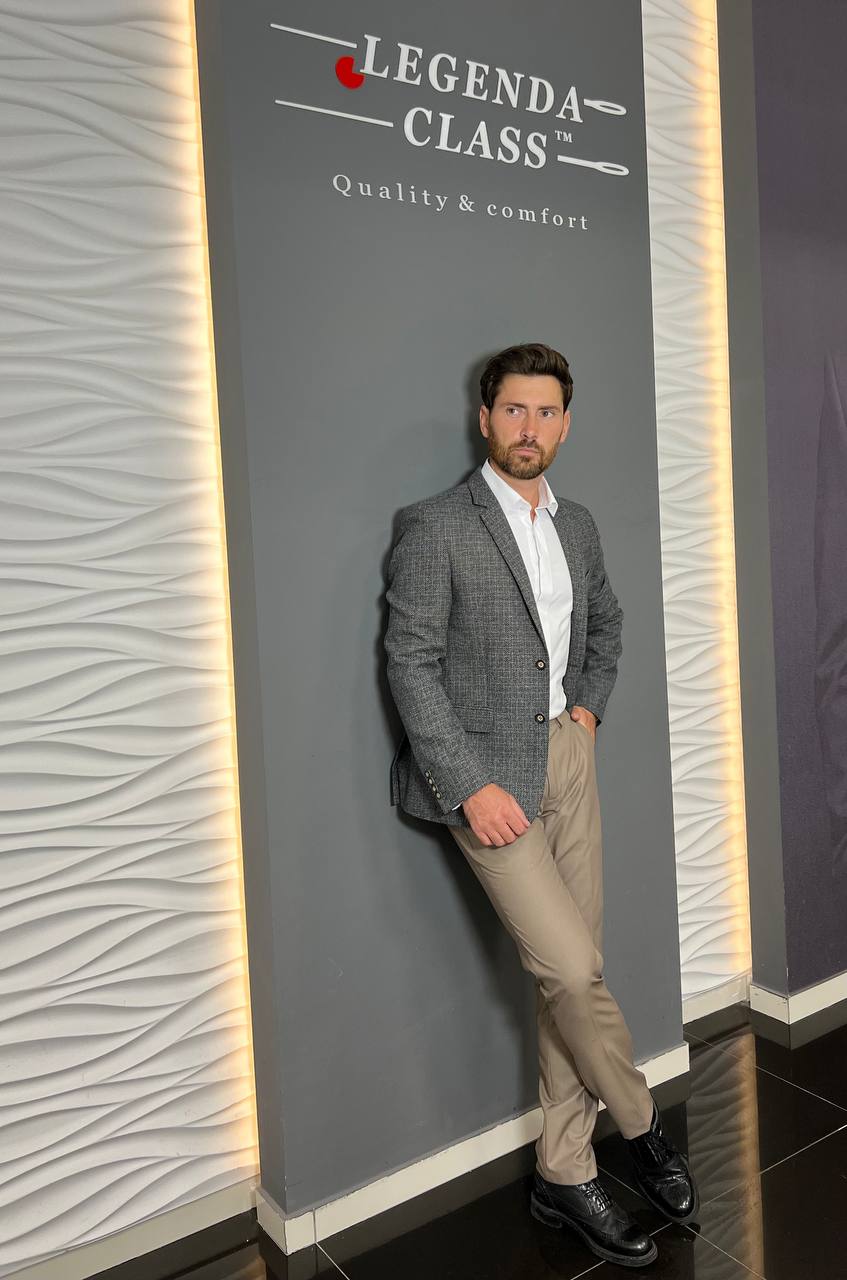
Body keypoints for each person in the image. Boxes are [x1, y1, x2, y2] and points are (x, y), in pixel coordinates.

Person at [384, 342, 698, 1268]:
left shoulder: (578, 525)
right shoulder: (436, 524)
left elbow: (606, 623)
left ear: (565, 422)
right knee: (570, 968)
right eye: (514, 410)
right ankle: (640, 1126)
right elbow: (409, 663)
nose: (530, 428)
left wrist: (586, 711)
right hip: (487, 781)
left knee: (571, 979)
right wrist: (468, 785)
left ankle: (563, 1172)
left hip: (568, 759)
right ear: (485, 418)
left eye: (547, 412)